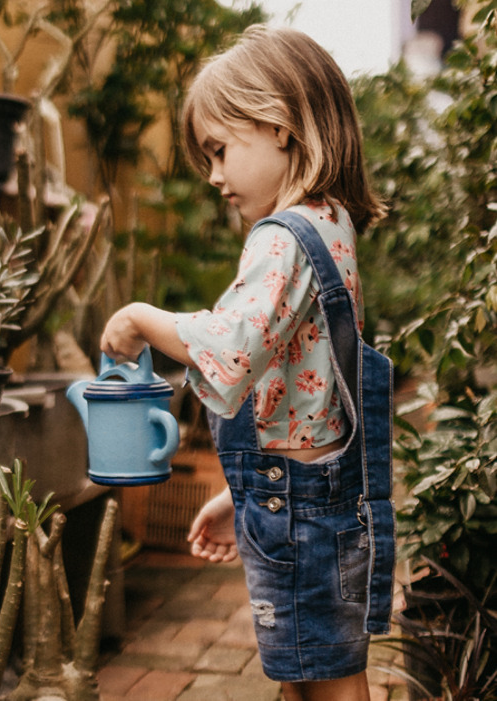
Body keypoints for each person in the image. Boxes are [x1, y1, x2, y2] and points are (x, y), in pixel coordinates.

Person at [100, 25, 395, 701]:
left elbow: (231, 349)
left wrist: (142, 318)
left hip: (303, 512)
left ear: (279, 126)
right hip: (321, 495)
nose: (213, 174)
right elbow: (304, 398)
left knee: (333, 684)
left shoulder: (282, 237)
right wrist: (243, 495)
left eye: (220, 149)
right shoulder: (330, 223)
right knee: (309, 672)